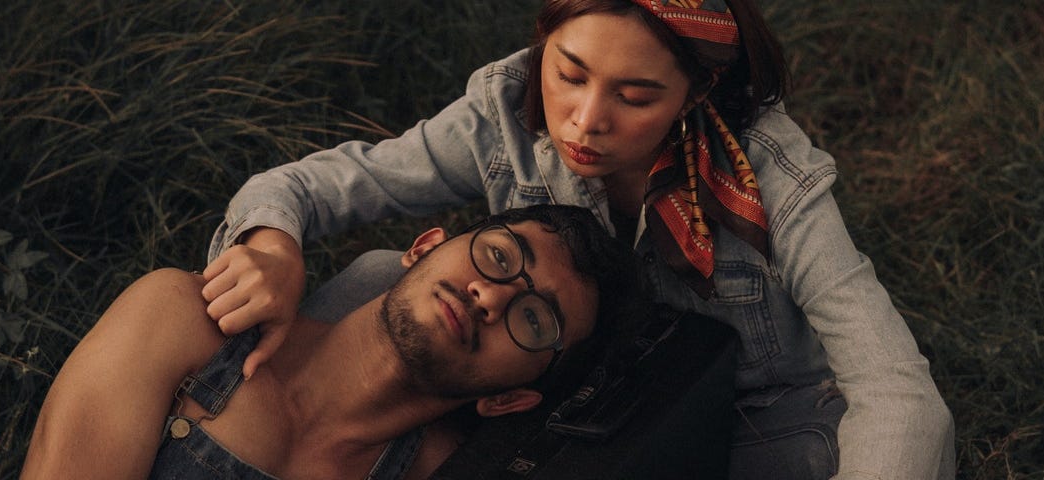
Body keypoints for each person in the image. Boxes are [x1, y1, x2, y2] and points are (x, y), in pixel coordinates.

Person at [203, 1, 958, 478]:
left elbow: (897, 391)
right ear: (545, 43)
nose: (584, 121)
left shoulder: (769, 177)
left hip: (738, 418)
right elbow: (310, 188)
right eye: (569, 73)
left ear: (694, 95)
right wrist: (271, 244)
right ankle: (230, 431)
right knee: (379, 277)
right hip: (546, 369)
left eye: (635, 97)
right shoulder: (505, 109)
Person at [22, 205, 640, 480]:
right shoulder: (188, 322)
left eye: (534, 321)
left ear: (510, 400)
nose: (493, 295)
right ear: (424, 247)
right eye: (500, 255)